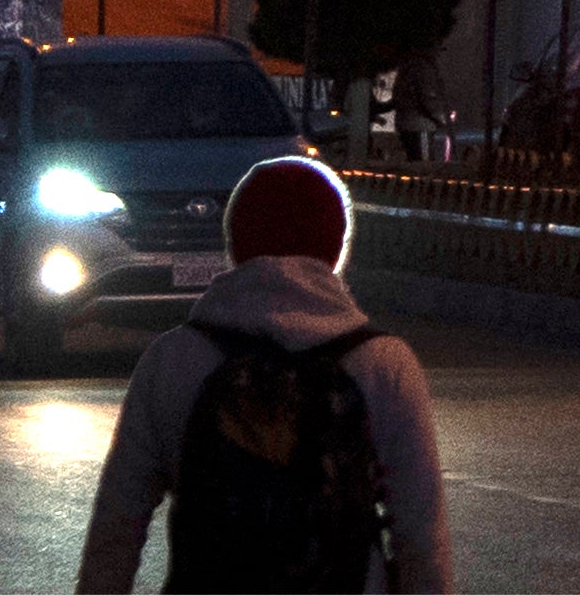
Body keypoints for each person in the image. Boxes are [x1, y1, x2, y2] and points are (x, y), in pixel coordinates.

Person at [76, 154, 451, 593]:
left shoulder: (174, 359)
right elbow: (421, 538)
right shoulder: (385, 365)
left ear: (235, 244)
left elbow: (118, 525)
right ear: (336, 247)